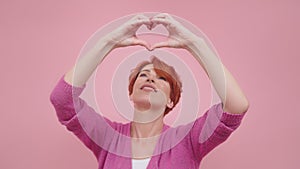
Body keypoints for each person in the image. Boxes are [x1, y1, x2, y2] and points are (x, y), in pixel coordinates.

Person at [50, 13, 249, 169]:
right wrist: (108, 42)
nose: (150, 78)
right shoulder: (108, 137)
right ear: (131, 93)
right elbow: (62, 99)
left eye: (161, 78)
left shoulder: (188, 140)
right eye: (143, 75)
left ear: (171, 100)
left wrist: (195, 44)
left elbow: (236, 106)